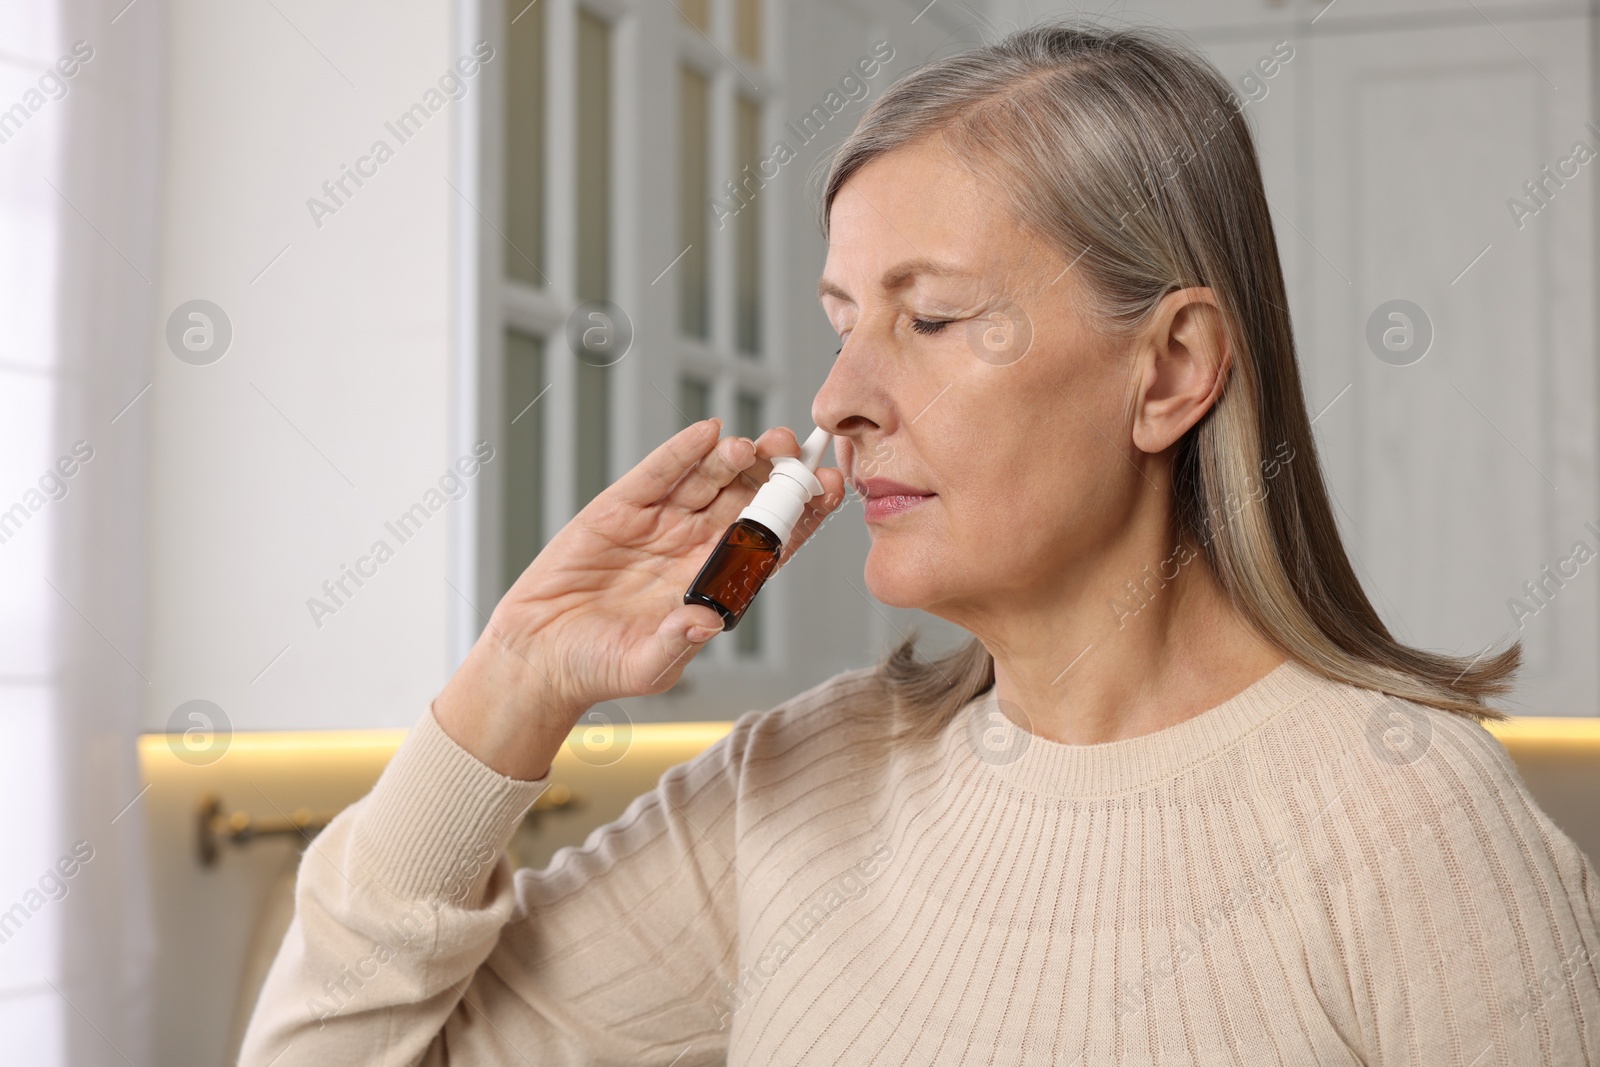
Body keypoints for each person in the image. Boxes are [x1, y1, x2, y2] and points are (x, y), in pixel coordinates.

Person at [240, 20, 1600, 1065]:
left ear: (1171, 369)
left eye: (932, 318)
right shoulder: (803, 794)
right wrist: (513, 683)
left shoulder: (1415, 829)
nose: (838, 399)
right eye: (844, 319)